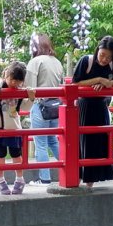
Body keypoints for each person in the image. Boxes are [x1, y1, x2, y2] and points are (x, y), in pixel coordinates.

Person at [73, 36, 113, 188]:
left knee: (98, 143)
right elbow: (76, 82)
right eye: (102, 55)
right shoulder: (86, 61)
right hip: (84, 107)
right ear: (97, 50)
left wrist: (109, 83)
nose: (104, 59)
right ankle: (79, 178)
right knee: (83, 143)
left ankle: (91, 181)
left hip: (101, 106)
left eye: (108, 56)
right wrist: (98, 79)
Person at [25, 33, 64, 186]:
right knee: (52, 141)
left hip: (41, 105)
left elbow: (30, 89)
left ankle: (45, 178)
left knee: (40, 142)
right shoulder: (57, 62)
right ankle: (70, 170)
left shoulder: (35, 62)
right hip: (55, 106)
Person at [0, 61, 28, 195]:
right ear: (7, 74)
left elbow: (25, 107)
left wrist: (31, 97)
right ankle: (0, 180)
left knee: (16, 153)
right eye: (12, 80)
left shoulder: (21, 89)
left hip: (14, 126)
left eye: (18, 81)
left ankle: (20, 179)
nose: (14, 84)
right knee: (0, 153)